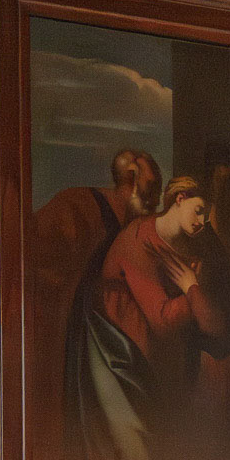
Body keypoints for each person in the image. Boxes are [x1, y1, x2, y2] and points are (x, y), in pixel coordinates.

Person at [67, 175, 230, 460]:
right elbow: (163, 320)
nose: (201, 221)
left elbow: (214, 325)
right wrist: (192, 290)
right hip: (117, 349)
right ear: (180, 199)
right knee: (136, 450)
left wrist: (194, 291)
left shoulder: (185, 243)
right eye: (198, 210)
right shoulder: (140, 239)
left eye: (206, 216)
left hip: (150, 353)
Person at [32, 147, 161, 405]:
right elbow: (34, 253)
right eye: (150, 190)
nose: (155, 202)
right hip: (76, 341)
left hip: (110, 348)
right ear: (132, 179)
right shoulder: (77, 205)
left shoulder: (137, 229)